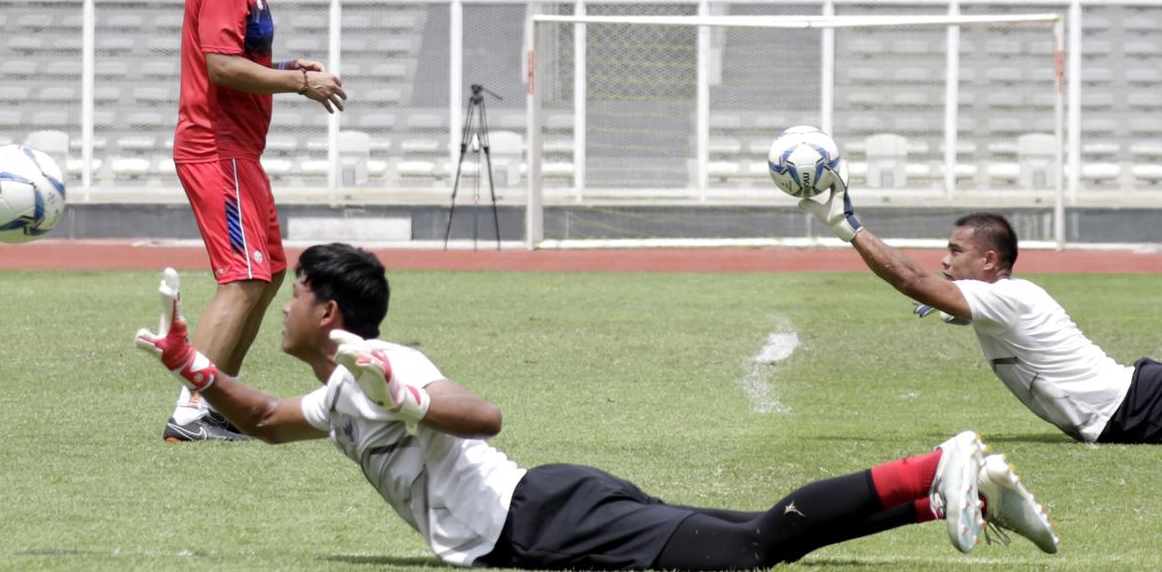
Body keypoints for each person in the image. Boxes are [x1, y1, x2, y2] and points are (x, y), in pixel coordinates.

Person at [135, 243, 1059, 568]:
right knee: (750, 532)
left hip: (535, 520)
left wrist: (411, 394)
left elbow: (480, 415)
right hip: (546, 507)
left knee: (747, 548)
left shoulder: (376, 362)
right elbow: (261, 419)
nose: (284, 307)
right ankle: (945, 493)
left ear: (327, 311)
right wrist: (194, 368)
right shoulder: (343, 387)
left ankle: (930, 467)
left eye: (293, 294)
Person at [168, 0, 346, 442]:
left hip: (239, 150)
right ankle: (193, 411)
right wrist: (301, 85)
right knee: (243, 277)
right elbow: (218, 66)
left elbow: (235, 59)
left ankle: (220, 405)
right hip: (216, 148)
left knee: (267, 273)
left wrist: (286, 69)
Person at [798, 168, 1162, 445]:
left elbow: (910, 279)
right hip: (1134, 404)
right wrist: (955, 304)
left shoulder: (1006, 298)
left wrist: (847, 226)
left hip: (1141, 402)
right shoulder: (1004, 299)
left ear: (989, 261)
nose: (944, 261)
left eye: (956, 252)